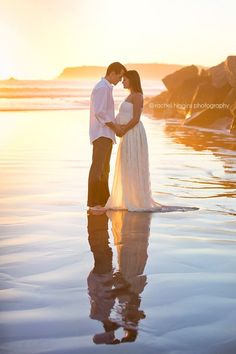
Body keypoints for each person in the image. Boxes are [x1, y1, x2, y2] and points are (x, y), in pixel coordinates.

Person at [105, 70, 199, 212]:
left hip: (133, 133)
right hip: (127, 133)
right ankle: (128, 198)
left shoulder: (137, 96)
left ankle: (135, 200)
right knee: (127, 164)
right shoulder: (130, 95)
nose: (123, 82)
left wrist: (123, 130)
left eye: (125, 79)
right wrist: (115, 127)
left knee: (133, 164)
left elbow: (136, 119)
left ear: (132, 80)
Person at [87, 62, 127, 212]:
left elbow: (106, 113)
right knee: (98, 168)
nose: (120, 79)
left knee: (105, 169)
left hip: (106, 134)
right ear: (112, 73)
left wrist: (116, 126)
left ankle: (103, 201)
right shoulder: (102, 88)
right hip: (101, 133)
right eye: (120, 75)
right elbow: (100, 113)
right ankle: (94, 203)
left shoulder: (106, 88)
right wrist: (115, 127)